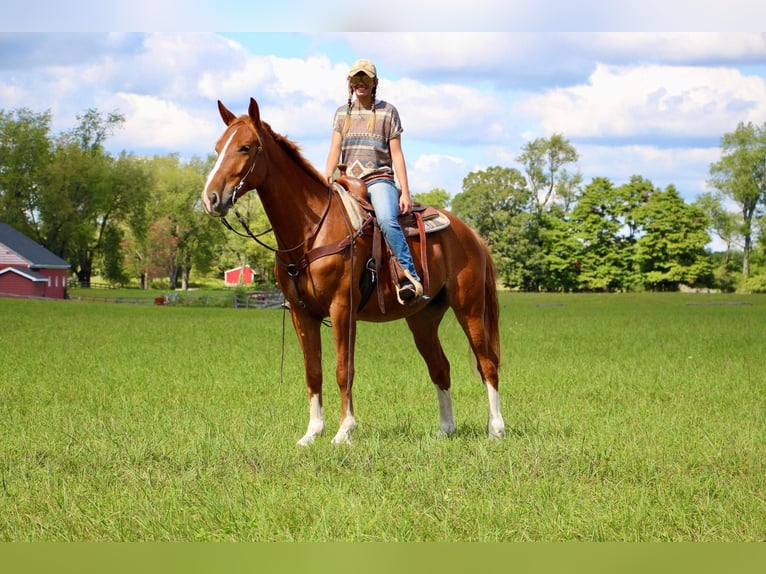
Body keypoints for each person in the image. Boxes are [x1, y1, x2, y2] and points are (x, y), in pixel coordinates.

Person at [325, 58, 423, 305]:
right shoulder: (340, 114)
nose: (361, 83)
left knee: (387, 219)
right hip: (347, 181)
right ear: (350, 83)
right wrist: (326, 175)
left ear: (374, 83)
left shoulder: (387, 111)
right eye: (356, 78)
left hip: (379, 179)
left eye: (365, 78)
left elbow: (397, 154)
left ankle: (406, 276)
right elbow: (334, 148)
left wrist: (405, 193)